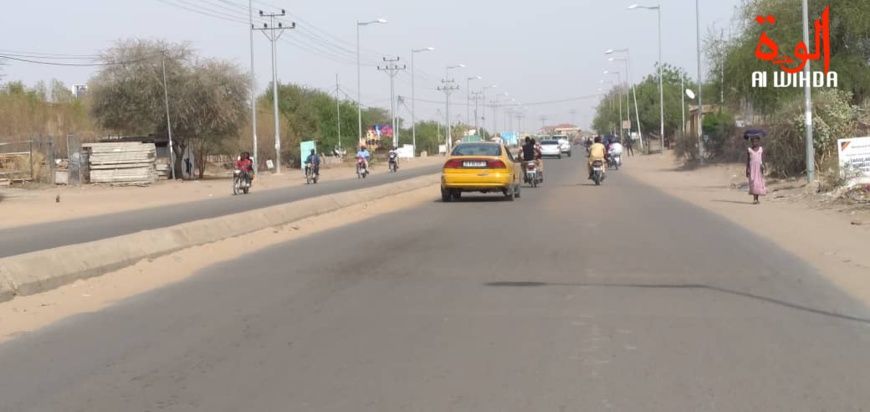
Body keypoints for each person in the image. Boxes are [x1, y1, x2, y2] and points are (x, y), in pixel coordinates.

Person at [746, 136, 767, 204]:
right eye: (753, 142)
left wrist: (764, 166)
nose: (754, 143)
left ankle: (757, 199)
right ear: (751, 142)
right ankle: (755, 199)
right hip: (752, 169)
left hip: (759, 168)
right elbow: (748, 160)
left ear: (758, 142)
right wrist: (747, 169)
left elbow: (763, 159)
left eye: (756, 141)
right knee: (753, 183)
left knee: (758, 183)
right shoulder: (749, 150)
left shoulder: (761, 149)